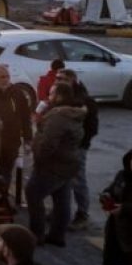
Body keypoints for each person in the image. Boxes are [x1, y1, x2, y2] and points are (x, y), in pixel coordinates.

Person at [26, 82, 86, 246]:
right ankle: (57, 236)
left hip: (52, 165)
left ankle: (36, 235)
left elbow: (48, 143)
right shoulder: (73, 114)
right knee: (61, 199)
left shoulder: (58, 116)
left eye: (51, 94)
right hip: (67, 164)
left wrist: (38, 156)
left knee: (33, 194)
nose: (49, 97)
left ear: (59, 96)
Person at [58, 68, 99, 230]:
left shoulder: (85, 101)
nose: (58, 81)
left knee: (78, 180)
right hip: (63, 146)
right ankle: (61, 210)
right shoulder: (64, 96)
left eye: (62, 79)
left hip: (77, 147)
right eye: (57, 78)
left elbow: (92, 128)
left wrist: (80, 143)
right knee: (60, 179)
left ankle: (83, 214)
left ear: (72, 80)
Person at [100, 149, 132, 265]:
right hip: (122, 234)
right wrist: (106, 196)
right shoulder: (123, 176)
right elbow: (112, 189)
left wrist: (125, 209)